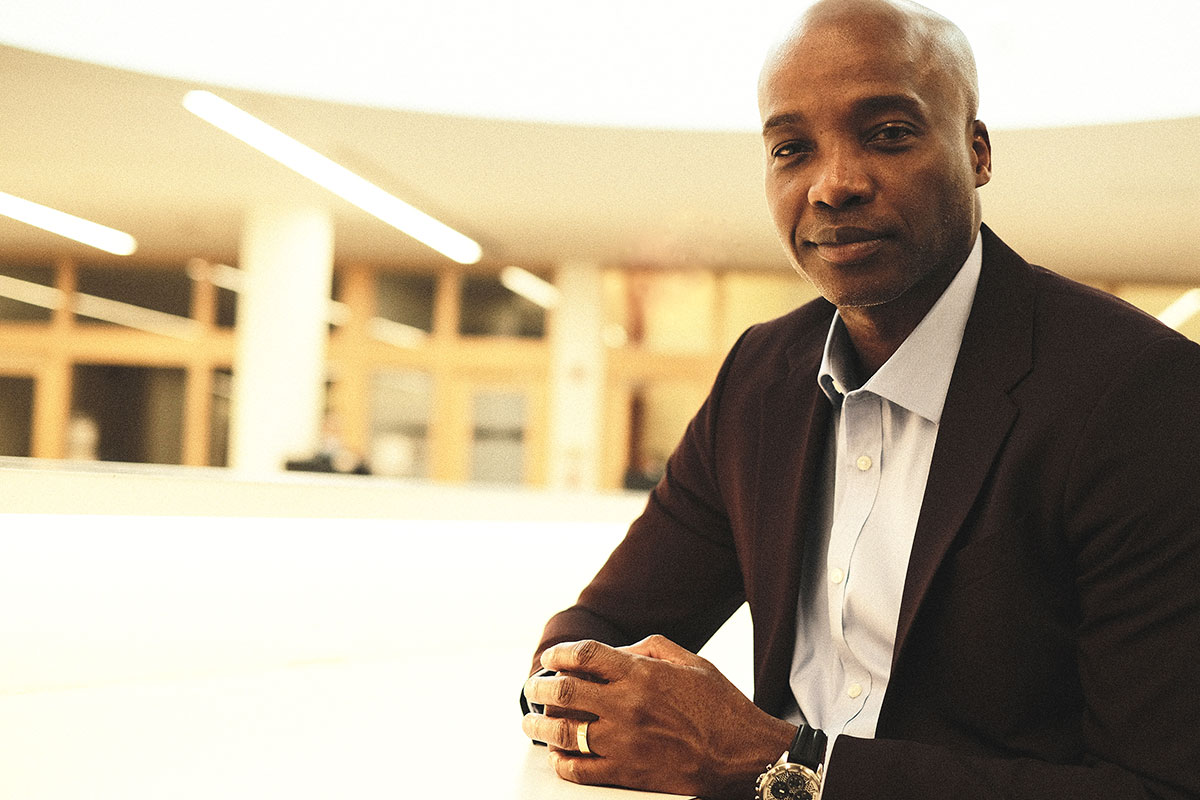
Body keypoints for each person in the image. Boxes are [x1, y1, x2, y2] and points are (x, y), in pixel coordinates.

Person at [520, 1, 1200, 798]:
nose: (833, 185)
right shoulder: (760, 379)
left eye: (888, 134)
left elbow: (1160, 785)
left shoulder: (1142, 394)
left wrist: (785, 765)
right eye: (791, 149)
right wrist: (582, 699)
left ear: (976, 152)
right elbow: (591, 640)